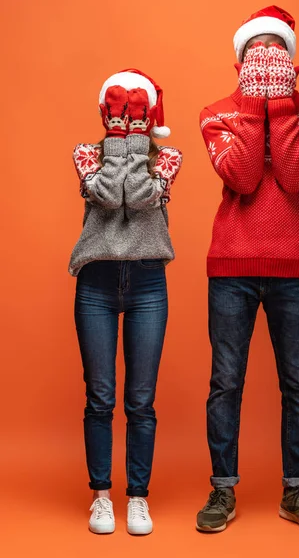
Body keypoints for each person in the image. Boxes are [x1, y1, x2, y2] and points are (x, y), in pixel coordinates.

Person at [196, 6, 299, 532]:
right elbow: (246, 176)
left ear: (289, 60)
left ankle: (295, 491)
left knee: (298, 383)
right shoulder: (216, 114)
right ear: (241, 63)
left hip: (294, 266)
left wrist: (281, 107)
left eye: (275, 49)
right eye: (256, 52)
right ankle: (222, 491)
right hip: (231, 264)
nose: (265, 58)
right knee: (226, 382)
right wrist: (256, 107)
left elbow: (296, 176)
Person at [69, 69, 182, 535]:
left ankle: (137, 497)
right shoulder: (85, 154)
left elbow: (136, 200)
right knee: (100, 398)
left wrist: (135, 149)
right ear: (108, 114)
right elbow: (104, 196)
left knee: (141, 400)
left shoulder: (169, 158)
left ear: (146, 116)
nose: (127, 118)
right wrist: (117, 145)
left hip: (148, 284)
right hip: (95, 282)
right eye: (120, 114)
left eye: (134, 114)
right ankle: (101, 497)